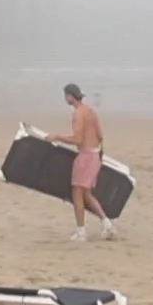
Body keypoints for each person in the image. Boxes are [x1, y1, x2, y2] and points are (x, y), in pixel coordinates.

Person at [54, 83, 116, 241]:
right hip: (95, 155)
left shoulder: (78, 114)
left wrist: (56, 136)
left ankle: (81, 232)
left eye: (65, 96)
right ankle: (107, 224)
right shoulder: (91, 111)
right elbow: (101, 135)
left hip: (85, 157)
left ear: (70, 96)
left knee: (77, 193)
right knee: (86, 193)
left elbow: (77, 139)